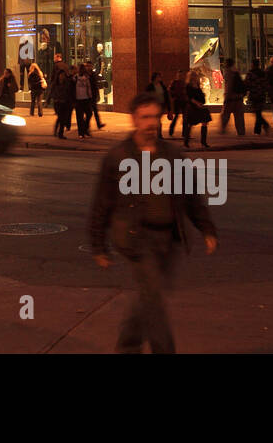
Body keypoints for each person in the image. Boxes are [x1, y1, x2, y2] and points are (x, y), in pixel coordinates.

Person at [89, 92, 218, 353]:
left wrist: (206, 229)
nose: (151, 123)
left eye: (155, 117)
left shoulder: (171, 154)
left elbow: (190, 195)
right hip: (137, 238)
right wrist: (98, 246)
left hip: (168, 239)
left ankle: (127, 345)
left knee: (149, 297)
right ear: (134, 120)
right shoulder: (118, 157)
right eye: (145, 117)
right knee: (155, 300)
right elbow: (102, 203)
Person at [182, 70, 210, 149]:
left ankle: (203, 142)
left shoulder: (197, 85)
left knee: (205, 122)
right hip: (192, 107)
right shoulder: (188, 86)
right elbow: (189, 97)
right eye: (193, 76)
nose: (194, 77)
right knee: (190, 124)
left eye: (195, 76)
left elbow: (201, 96)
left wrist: (201, 102)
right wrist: (196, 103)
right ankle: (186, 142)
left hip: (200, 106)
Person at [218, 58, 246, 136]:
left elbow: (229, 86)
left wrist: (226, 97)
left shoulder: (228, 73)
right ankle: (241, 132)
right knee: (239, 117)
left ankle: (222, 129)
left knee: (225, 115)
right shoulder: (236, 71)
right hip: (239, 97)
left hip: (231, 98)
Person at [51, 62, 75, 138]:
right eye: (60, 75)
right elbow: (51, 92)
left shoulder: (67, 83)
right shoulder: (56, 84)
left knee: (62, 118)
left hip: (65, 102)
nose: (62, 77)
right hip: (58, 103)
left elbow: (70, 90)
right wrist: (49, 100)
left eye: (63, 75)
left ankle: (58, 132)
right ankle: (59, 133)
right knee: (61, 118)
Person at [245, 63, 270, 135]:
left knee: (257, 112)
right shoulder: (263, 73)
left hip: (254, 94)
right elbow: (266, 84)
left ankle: (259, 129)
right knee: (258, 112)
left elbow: (247, 84)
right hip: (261, 95)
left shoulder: (250, 74)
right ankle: (260, 128)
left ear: (252, 65)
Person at [73, 62, 96, 137]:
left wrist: (90, 96)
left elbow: (89, 87)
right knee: (80, 116)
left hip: (85, 98)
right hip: (79, 99)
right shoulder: (75, 78)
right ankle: (81, 132)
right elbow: (72, 88)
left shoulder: (87, 77)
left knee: (88, 114)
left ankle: (84, 130)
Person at [145, 72, 170, 136]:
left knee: (158, 119)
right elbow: (146, 96)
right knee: (157, 120)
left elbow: (166, 96)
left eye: (160, 77)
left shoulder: (162, 86)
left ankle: (158, 134)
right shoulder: (150, 86)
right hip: (153, 105)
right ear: (155, 78)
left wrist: (169, 108)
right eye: (158, 77)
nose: (160, 78)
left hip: (161, 105)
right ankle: (158, 134)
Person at [166, 72, 188, 138]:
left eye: (181, 75)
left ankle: (184, 133)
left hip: (183, 101)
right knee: (176, 116)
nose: (180, 76)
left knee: (185, 117)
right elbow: (169, 90)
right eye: (179, 75)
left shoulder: (184, 83)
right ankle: (171, 131)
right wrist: (174, 96)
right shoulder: (174, 82)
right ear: (177, 76)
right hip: (177, 101)